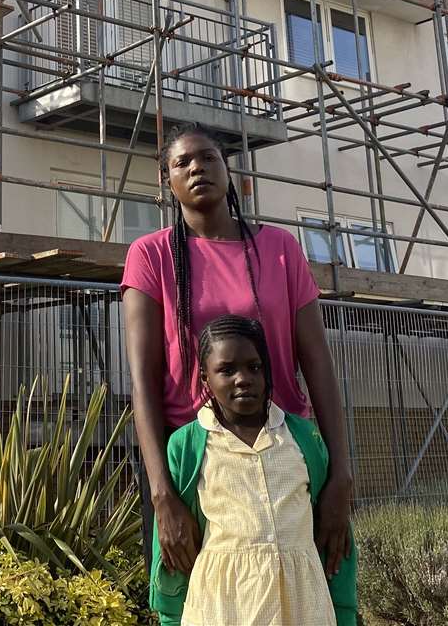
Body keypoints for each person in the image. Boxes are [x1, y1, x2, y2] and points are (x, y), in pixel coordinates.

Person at [122, 124, 354, 589]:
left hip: (285, 452)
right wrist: (162, 493)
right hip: (193, 461)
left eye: (208, 158)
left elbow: (318, 364)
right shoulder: (151, 256)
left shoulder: (280, 249)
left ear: (229, 171)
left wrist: (340, 475)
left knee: (306, 592)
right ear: (166, 180)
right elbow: (143, 381)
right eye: (181, 162)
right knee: (193, 602)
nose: (196, 168)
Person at [150, 315, 356, 626]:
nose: (242, 378)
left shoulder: (303, 439)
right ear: (205, 377)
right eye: (226, 369)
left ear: (267, 371)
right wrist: (169, 616)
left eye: (254, 367)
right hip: (220, 611)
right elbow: (171, 543)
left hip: (304, 610)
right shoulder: (187, 446)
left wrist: (344, 611)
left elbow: (335, 537)